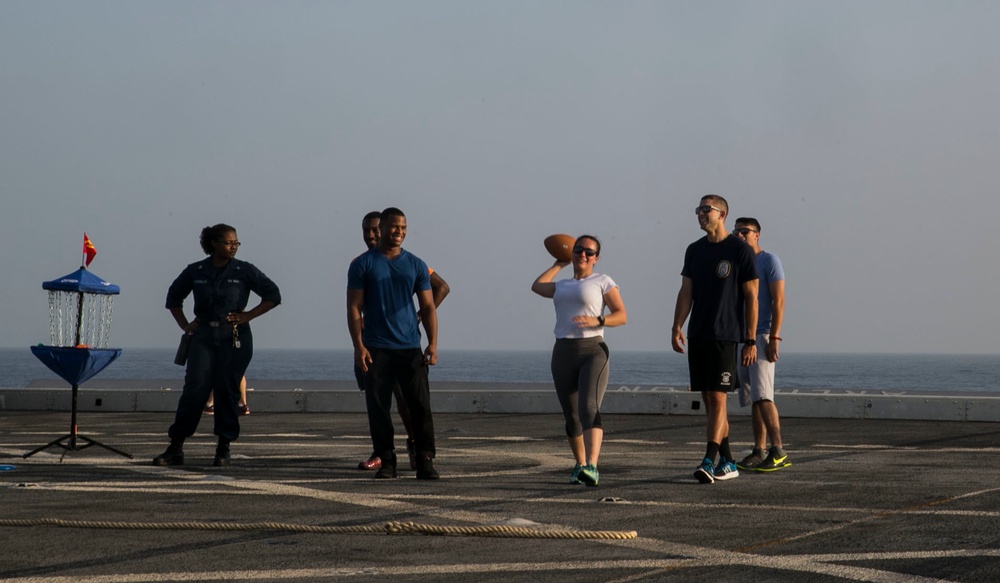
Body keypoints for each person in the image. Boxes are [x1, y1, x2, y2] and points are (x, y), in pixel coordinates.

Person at [153, 224, 280, 467]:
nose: (233, 247)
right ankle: (176, 447)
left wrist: (248, 315)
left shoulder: (245, 270)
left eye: (236, 243)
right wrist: (184, 325)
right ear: (214, 244)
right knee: (195, 389)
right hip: (202, 336)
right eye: (228, 242)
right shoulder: (196, 270)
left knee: (227, 390)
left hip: (234, 337)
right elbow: (173, 297)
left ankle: (224, 447)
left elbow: (273, 295)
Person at [347, 207, 440, 480]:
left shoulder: (416, 264)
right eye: (394, 227)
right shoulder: (362, 264)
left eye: (403, 227)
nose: (399, 232)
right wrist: (358, 346)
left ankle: (425, 460)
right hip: (376, 348)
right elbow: (354, 308)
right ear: (382, 227)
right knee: (379, 408)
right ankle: (387, 460)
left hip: (410, 348)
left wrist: (432, 344)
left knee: (420, 406)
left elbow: (428, 306)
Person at [671, 195, 758, 484]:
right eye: (697, 209)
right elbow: (686, 291)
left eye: (706, 209)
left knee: (719, 398)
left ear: (722, 214)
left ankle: (709, 460)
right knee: (709, 399)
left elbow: (752, 297)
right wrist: (677, 325)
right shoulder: (694, 250)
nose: (700, 214)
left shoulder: (739, 250)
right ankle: (729, 460)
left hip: (726, 334)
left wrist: (750, 340)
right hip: (699, 333)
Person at [532, 235, 627, 487]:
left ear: (596, 258)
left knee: (588, 408)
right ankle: (580, 464)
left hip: (593, 349)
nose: (582, 255)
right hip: (563, 351)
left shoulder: (603, 281)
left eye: (588, 251)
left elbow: (621, 315)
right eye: (578, 250)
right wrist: (559, 263)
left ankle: (592, 467)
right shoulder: (561, 285)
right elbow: (537, 286)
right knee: (571, 416)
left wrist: (599, 320)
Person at [733, 217, 789, 472]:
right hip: (743, 339)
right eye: (736, 231)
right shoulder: (739, 263)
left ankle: (778, 450)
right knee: (754, 397)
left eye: (745, 231)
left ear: (757, 234)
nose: (740, 235)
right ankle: (759, 449)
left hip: (763, 335)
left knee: (764, 395)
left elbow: (778, 301)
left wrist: (774, 337)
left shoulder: (769, 261)